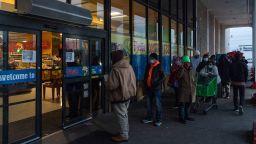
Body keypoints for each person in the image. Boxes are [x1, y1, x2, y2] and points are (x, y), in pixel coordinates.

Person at [106, 48, 136, 142]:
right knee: (124, 114)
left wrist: (106, 81)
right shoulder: (129, 66)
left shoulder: (115, 69)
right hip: (127, 95)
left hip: (119, 96)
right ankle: (124, 132)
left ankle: (123, 135)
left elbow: (111, 85)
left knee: (121, 116)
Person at [142, 53, 165, 126]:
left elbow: (163, 77)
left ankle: (158, 120)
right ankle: (149, 117)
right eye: (150, 58)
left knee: (157, 104)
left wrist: (157, 83)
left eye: (151, 58)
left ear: (155, 59)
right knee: (149, 104)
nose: (150, 60)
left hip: (156, 88)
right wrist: (145, 83)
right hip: (149, 88)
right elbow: (146, 75)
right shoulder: (148, 65)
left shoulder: (159, 66)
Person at [176, 56, 196, 124]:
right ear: (183, 63)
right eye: (186, 63)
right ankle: (181, 118)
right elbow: (178, 77)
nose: (188, 64)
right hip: (183, 90)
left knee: (188, 104)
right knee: (182, 105)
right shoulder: (181, 69)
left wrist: (194, 86)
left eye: (188, 62)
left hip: (190, 90)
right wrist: (181, 68)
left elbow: (193, 79)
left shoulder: (190, 70)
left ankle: (186, 116)